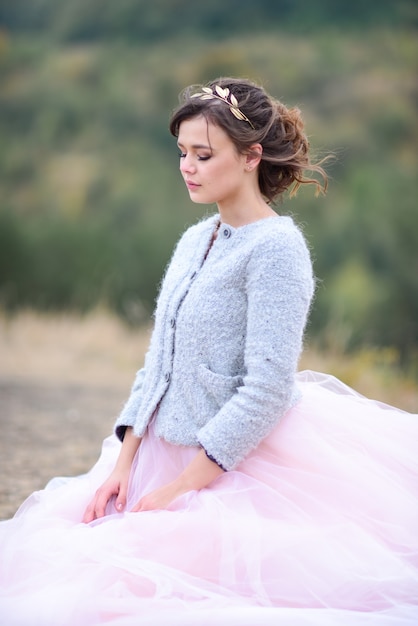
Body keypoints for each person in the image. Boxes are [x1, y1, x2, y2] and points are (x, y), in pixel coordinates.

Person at [0, 77, 417, 626]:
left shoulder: (278, 251)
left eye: (203, 154)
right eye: (182, 153)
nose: (187, 167)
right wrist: (124, 463)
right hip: (155, 457)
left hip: (233, 468)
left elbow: (267, 387)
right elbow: (158, 362)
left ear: (251, 156)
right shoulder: (197, 238)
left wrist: (178, 489)